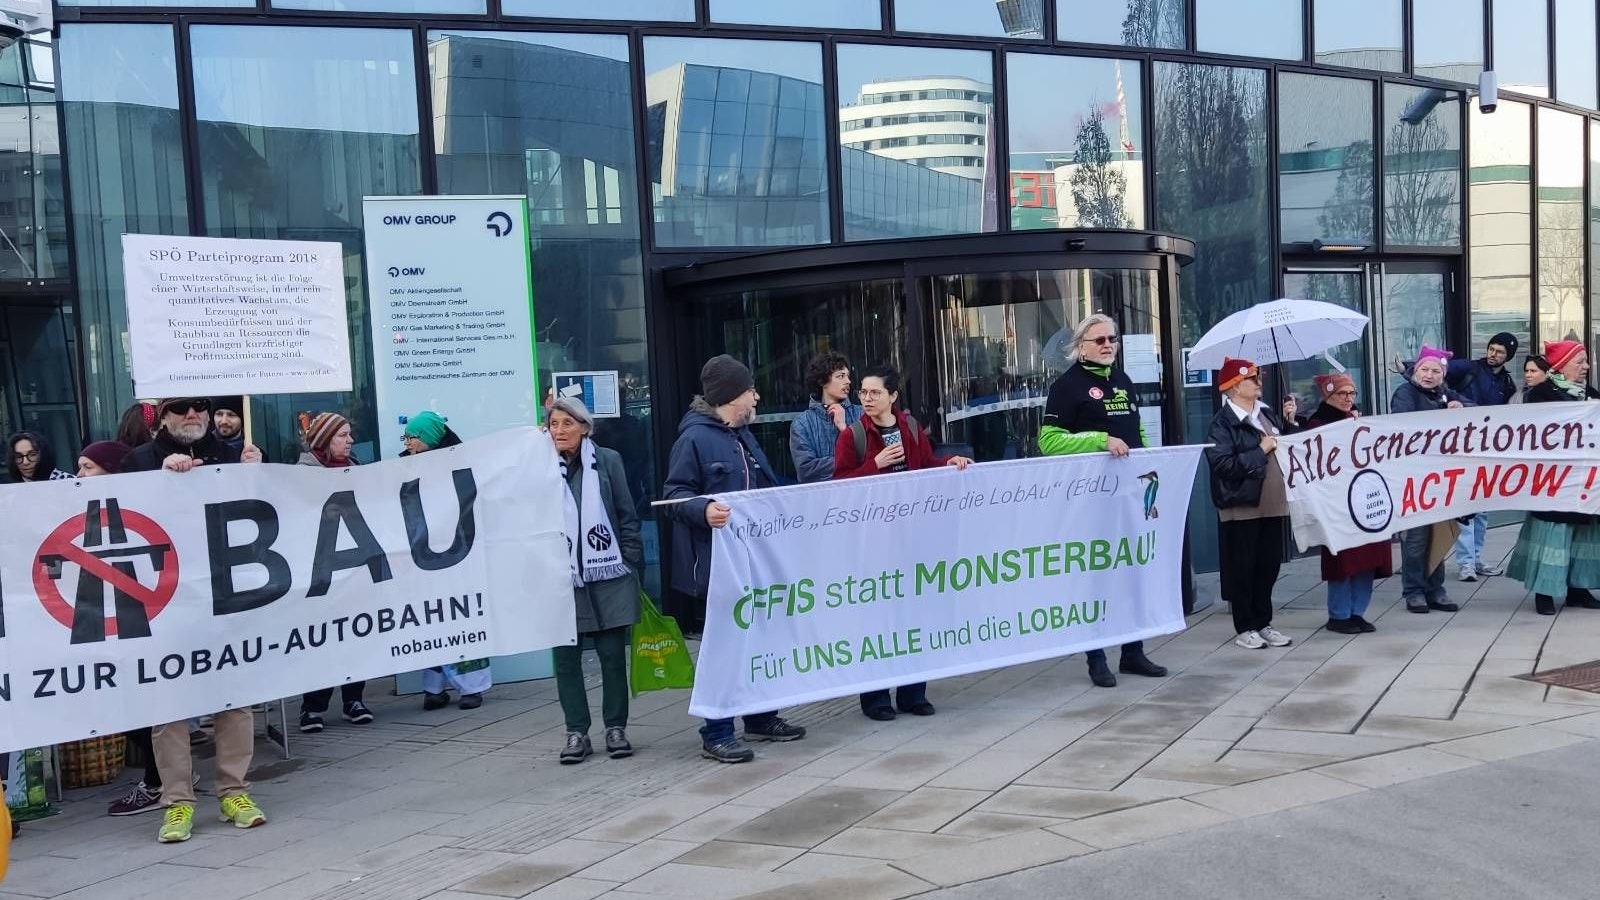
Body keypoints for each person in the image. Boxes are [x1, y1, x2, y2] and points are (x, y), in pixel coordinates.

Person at [122, 398, 265, 843]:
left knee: (234, 699)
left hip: (223, 595)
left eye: (200, 407)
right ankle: (178, 803)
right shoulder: (139, 461)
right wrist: (161, 481)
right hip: (164, 601)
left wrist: (256, 470)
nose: (193, 415)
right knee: (169, 708)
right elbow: (120, 519)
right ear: (162, 418)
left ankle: (234, 791)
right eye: (181, 408)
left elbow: (260, 511)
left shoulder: (231, 453)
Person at [662, 354, 807, 763]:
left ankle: (761, 717)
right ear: (730, 397)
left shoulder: (741, 434)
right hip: (716, 567)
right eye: (749, 390)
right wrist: (703, 509)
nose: (756, 396)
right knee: (725, 648)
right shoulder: (693, 439)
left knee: (762, 639)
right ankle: (718, 730)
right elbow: (673, 496)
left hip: (753, 561)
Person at [1036, 313, 1169, 687]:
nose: (1108, 344)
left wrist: (1148, 457)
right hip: (1091, 500)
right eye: (1099, 340)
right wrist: (1099, 440)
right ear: (1081, 346)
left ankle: (1133, 652)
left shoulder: (1123, 380)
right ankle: (1096, 657)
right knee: (1096, 578)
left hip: (1130, 494)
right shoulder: (1067, 386)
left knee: (1131, 571)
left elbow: (1136, 429)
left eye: (1112, 338)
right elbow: (1048, 442)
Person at [832, 365, 971, 718]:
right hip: (873, 543)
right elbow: (838, 488)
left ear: (893, 397)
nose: (866, 398)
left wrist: (947, 463)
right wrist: (875, 464)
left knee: (914, 615)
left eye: (874, 392)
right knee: (877, 620)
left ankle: (913, 693)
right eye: (863, 392)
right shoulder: (853, 437)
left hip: (912, 537)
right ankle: (876, 698)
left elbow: (924, 465)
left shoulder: (909, 427)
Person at [548, 397, 642, 763]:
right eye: (554, 424)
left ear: (585, 428)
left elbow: (626, 514)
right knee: (566, 660)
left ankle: (615, 727)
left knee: (611, 656)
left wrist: (631, 562)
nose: (560, 431)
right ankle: (576, 732)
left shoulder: (608, 461)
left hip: (608, 574)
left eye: (568, 424)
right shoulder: (539, 466)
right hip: (561, 579)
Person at [401, 410, 491, 710]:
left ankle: (471, 688)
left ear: (427, 438)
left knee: (461, 618)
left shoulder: (460, 462)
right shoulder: (402, 465)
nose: (408, 443)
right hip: (422, 556)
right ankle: (434, 688)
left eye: (412, 438)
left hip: (458, 553)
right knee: (430, 619)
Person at [1206, 358, 1297, 650]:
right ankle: (1245, 625)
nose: (1259, 383)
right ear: (1233, 387)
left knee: (1268, 565)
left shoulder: (1266, 413)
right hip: (1242, 505)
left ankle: (1263, 621)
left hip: (1272, 503)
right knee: (1243, 567)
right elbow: (1223, 464)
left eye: (1258, 378)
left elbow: (1285, 448)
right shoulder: (1222, 422)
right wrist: (1260, 449)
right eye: (1252, 379)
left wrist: (1290, 424)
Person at [294, 412, 375, 733]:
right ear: (324, 440)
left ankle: (354, 699)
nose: (350, 440)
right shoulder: (300, 475)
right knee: (321, 638)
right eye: (342, 435)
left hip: (354, 568)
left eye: (349, 434)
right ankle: (313, 706)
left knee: (357, 633)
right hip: (319, 571)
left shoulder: (357, 471)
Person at [1507, 340, 1600, 615]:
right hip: (1553, 482)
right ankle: (1544, 594)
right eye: (1579, 361)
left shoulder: (1587, 393)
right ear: (1561, 365)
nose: (1585, 367)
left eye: (1586, 361)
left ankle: (1578, 590)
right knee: (1553, 535)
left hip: (1583, 481)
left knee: (1582, 535)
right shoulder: (1541, 393)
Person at [1300, 374, 1392, 634]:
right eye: (1342, 394)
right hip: (1337, 502)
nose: (1348, 398)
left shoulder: (1356, 420)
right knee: (1343, 558)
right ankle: (1339, 614)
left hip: (1364, 497)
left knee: (1367, 556)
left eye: (1351, 393)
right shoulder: (1317, 423)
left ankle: (1357, 612)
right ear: (1328, 396)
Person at [1390, 346, 1470, 614]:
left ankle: (1436, 588)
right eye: (1425, 369)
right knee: (1415, 538)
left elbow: (1476, 409)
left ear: (1443, 375)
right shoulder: (1405, 393)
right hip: (1412, 476)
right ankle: (1413, 591)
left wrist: (1461, 406)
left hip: (1439, 478)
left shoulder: (1445, 393)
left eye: (1436, 371)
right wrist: (1442, 411)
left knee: (1438, 534)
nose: (1429, 375)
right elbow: (1406, 424)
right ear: (1416, 370)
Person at [1446, 333, 1518, 582]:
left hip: (1488, 449)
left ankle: (1476, 558)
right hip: (1463, 445)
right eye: (1491, 348)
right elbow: (1435, 368)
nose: (1493, 353)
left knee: (1483, 508)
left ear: (1508, 356)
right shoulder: (1470, 368)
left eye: (1499, 351)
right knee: (1466, 506)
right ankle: (1466, 562)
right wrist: (1407, 368)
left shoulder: (1507, 384)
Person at [790, 352, 862, 484]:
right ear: (822, 381)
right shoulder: (802, 423)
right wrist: (851, 461)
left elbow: (871, 457)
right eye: (841, 376)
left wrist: (844, 429)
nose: (848, 381)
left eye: (848, 376)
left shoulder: (861, 414)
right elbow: (806, 471)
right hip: (821, 499)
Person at [6, 431, 71, 483]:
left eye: (32, 455)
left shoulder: (68, 483)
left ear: (44, 455)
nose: (25, 462)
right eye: (19, 456)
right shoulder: (9, 490)